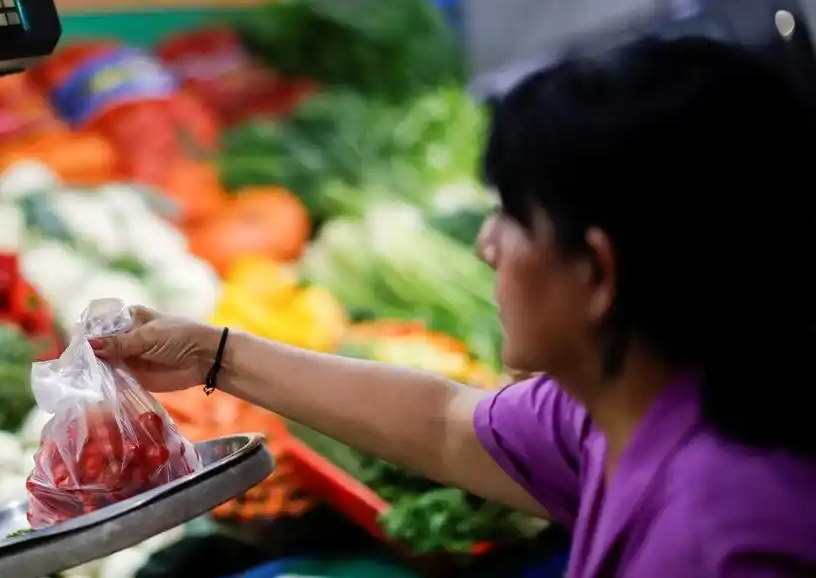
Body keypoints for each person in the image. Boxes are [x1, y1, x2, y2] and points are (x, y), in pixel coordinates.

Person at [90, 36, 816, 577]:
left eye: (511, 217)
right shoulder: (624, 410)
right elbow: (444, 424)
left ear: (597, 270)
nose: (485, 245)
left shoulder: (733, 538)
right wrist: (216, 355)